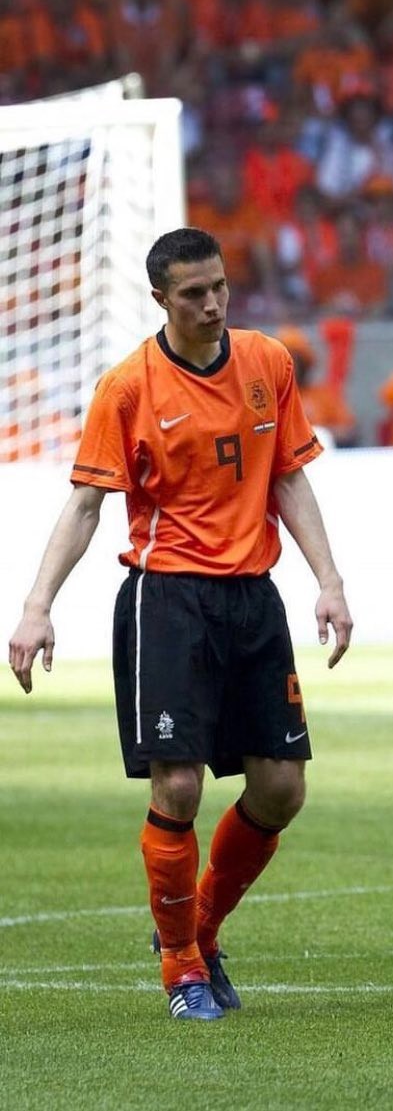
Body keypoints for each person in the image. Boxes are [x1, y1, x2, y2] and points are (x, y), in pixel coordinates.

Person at [8, 227, 353, 1022]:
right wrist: (37, 605)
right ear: (160, 298)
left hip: (252, 598)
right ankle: (181, 967)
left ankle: (199, 925)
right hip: (166, 599)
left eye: (219, 287)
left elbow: (289, 477)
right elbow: (86, 504)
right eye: (194, 293)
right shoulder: (128, 388)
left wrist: (329, 581)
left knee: (282, 786)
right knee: (180, 783)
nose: (212, 304)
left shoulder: (268, 363)